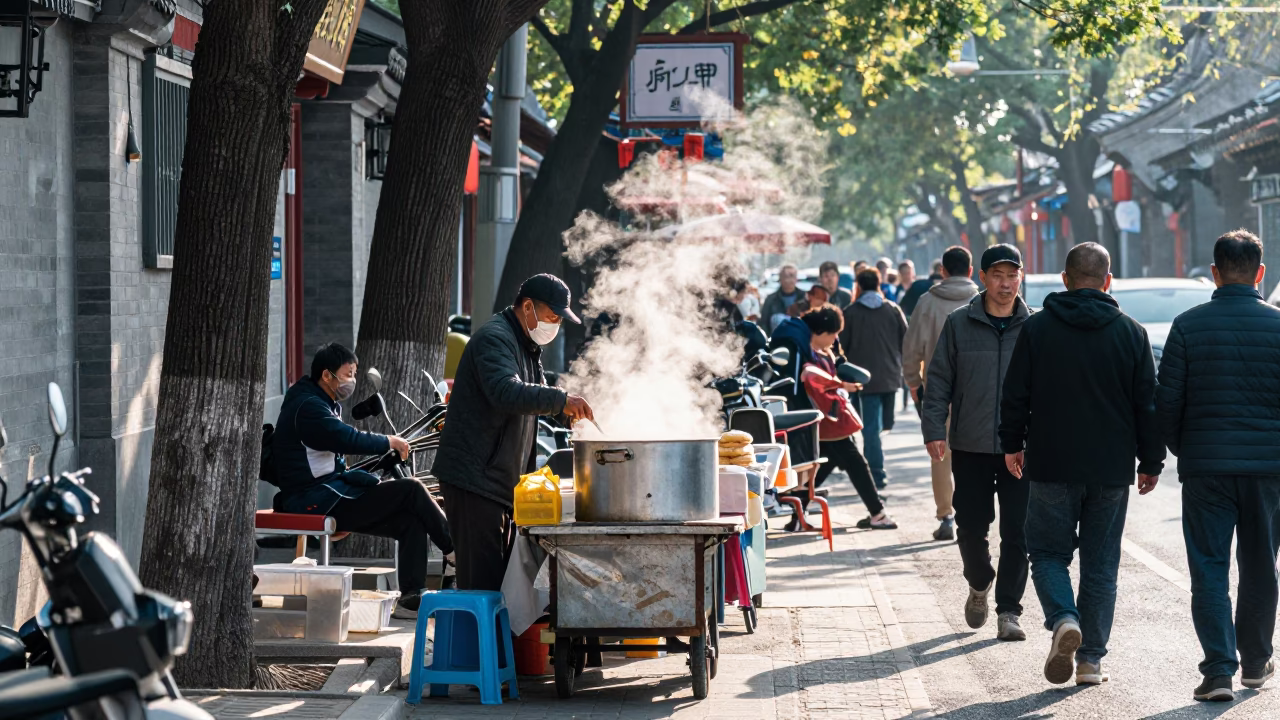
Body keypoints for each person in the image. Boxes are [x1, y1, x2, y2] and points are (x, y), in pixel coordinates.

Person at [1000, 242, 1164, 686]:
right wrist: (1151, 460)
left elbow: (1015, 394)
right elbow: (1147, 405)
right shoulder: (1131, 332)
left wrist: (1011, 443)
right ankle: (1090, 660)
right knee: (1101, 563)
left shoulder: (1037, 330)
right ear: (1107, 281)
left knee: (1048, 553)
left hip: (1052, 461)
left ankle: (1063, 619)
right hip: (1110, 468)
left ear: (1065, 279)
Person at [1157, 230, 1280, 703]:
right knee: (1260, 563)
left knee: (1208, 567)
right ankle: (1254, 661)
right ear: (1260, 273)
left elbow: (1166, 404)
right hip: (1268, 470)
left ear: (1214, 272)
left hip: (1206, 466)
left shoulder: (1187, 326)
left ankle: (1218, 671)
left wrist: (1183, 449)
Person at [433, 274, 595, 592]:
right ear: (528, 307)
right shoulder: (495, 338)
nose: (555, 325)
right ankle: (476, 642)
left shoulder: (526, 344)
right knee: (482, 585)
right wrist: (562, 401)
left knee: (499, 584)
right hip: (474, 481)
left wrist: (572, 417)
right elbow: (506, 392)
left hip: (498, 483)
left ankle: (496, 642)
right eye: (552, 317)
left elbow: (536, 400)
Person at [272, 343, 452, 619]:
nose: (352, 381)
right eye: (348, 374)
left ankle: (411, 599)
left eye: (355, 373)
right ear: (327, 375)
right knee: (412, 489)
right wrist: (387, 441)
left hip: (328, 494)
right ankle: (456, 552)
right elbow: (345, 437)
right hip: (313, 499)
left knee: (410, 521)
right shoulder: (308, 406)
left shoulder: (321, 401)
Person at [922, 243, 1031, 642]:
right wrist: (934, 428)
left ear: (1021, 277)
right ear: (981, 278)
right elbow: (939, 381)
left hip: (1020, 449)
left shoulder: (1034, 325)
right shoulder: (958, 323)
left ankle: (1009, 611)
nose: (1006, 283)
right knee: (970, 527)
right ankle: (980, 581)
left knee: (1019, 533)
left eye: (1012, 275)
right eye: (998, 276)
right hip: (969, 444)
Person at [777, 307, 896, 530]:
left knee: (825, 464)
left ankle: (797, 516)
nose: (835, 339)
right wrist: (842, 386)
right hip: (829, 422)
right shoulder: (809, 356)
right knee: (855, 463)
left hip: (825, 423)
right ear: (821, 331)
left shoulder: (814, 351)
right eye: (833, 333)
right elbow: (815, 383)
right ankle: (877, 513)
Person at [901, 247, 979, 540]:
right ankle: (972, 513)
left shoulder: (927, 302)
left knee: (939, 454)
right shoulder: (983, 301)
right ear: (971, 271)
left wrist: (912, 382)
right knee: (973, 454)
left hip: (936, 391)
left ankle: (946, 515)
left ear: (942, 272)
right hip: (978, 391)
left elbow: (911, 349)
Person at [841, 268, 907, 491]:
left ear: (858, 286)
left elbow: (841, 348)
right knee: (878, 428)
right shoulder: (892, 310)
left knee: (871, 430)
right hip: (889, 379)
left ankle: (875, 473)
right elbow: (905, 342)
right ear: (879, 284)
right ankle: (876, 475)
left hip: (863, 382)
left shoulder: (850, 313)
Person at [762, 264, 802, 333]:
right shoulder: (771, 299)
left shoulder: (805, 297)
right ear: (780, 278)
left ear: (796, 279)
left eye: (792, 276)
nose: (789, 280)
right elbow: (764, 323)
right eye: (786, 276)